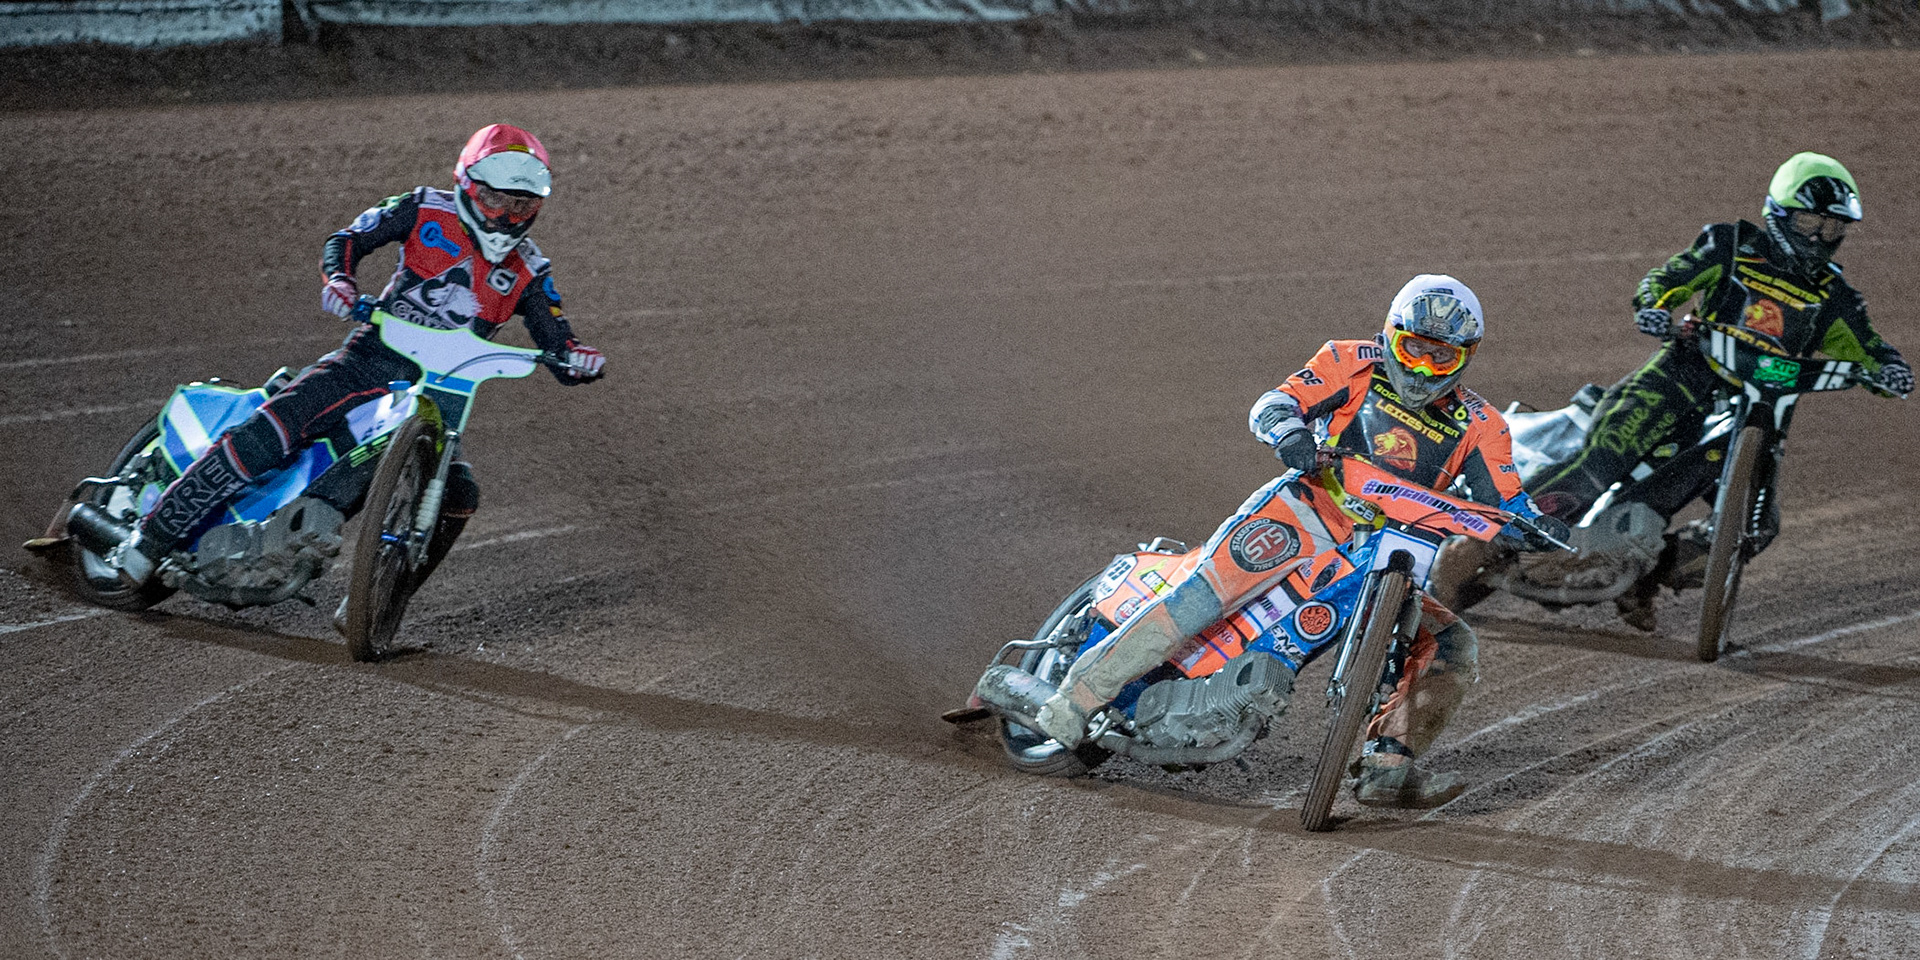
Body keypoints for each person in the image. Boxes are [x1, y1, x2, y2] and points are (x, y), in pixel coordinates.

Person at [977, 275, 1563, 808]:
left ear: (1466, 358)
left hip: (1388, 550)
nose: (1428, 367)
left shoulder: (1483, 424)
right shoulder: (1349, 361)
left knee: (1453, 646)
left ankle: (1388, 765)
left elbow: (1505, 497)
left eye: (1445, 355)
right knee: (1199, 601)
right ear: (1391, 336)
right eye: (1417, 348)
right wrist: (1286, 430)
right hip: (1302, 510)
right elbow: (1278, 401)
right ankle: (1070, 704)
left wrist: (1539, 521)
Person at [104, 123, 606, 597]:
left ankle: (387, 593)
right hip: (371, 357)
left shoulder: (531, 270)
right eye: (494, 199)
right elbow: (346, 240)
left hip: (441, 395)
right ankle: (149, 538)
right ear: (467, 185)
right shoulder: (422, 208)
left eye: (521, 205)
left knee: (461, 495)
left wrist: (576, 358)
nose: (505, 216)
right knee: (278, 426)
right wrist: (341, 282)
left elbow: (557, 337)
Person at [1526, 152, 1910, 629]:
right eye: (1810, 220)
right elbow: (1667, 280)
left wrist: (1891, 371)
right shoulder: (1731, 245)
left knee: (1757, 528)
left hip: (1759, 415)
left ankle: (1646, 575)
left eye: (1831, 227)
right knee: (1607, 454)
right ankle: (1495, 533)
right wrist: (1653, 306)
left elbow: (1871, 350)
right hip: (1683, 376)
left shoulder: (1836, 299)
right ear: (1781, 214)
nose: (1818, 236)